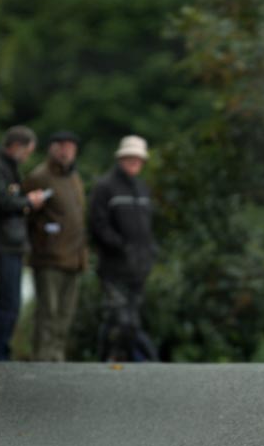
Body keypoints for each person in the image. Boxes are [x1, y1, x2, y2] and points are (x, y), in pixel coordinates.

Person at [0, 125, 48, 360]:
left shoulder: (8, 167)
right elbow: (0, 202)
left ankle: (0, 350)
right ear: (16, 146)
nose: (27, 157)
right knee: (7, 301)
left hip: (12, 241)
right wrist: (28, 202)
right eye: (27, 152)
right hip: (1, 242)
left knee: (11, 301)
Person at [88, 135, 158, 361]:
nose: (134, 162)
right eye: (130, 157)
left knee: (130, 320)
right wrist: (119, 246)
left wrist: (150, 251)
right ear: (121, 158)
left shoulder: (142, 187)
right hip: (114, 266)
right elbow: (97, 224)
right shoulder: (105, 186)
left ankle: (122, 362)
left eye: (138, 158)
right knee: (121, 319)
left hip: (139, 266)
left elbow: (147, 226)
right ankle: (113, 359)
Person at [23, 131, 88, 361]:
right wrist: (43, 237)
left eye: (70, 146)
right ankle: (42, 358)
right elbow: (25, 213)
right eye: (61, 146)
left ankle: (56, 358)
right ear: (51, 148)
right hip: (49, 256)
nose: (65, 151)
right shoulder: (39, 176)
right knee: (47, 312)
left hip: (74, 256)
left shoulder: (74, 177)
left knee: (65, 313)